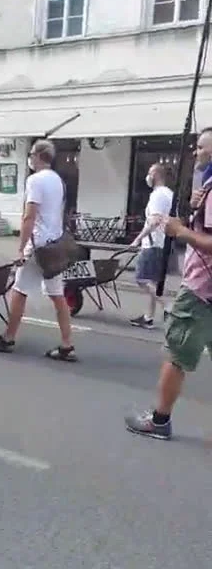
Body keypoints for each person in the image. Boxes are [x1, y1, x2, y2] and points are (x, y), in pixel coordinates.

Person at [125, 128, 212, 440]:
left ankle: (159, 421)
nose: (196, 153)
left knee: (176, 355)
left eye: (201, 147)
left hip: (202, 290)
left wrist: (181, 231)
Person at [0, 140, 77, 362]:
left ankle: (8, 338)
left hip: (38, 247)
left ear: (37, 156)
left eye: (30, 154)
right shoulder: (57, 180)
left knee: (19, 291)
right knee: (58, 296)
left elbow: (29, 216)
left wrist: (20, 249)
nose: (30, 158)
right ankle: (67, 345)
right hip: (55, 246)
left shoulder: (35, 181)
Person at [130, 164, 173, 329]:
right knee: (152, 281)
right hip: (163, 243)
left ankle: (168, 307)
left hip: (153, 243)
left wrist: (137, 239)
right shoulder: (169, 194)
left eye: (149, 173)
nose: (147, 177)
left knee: (141, 279)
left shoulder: (157, 195)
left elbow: (154, 221)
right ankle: (148, 317)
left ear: (155, 175)